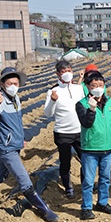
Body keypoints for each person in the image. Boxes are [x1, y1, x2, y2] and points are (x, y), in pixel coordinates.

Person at [0, 67, 58, 222]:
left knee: (0, 175)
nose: (13, 85)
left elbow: (16, 123)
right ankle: (44, 210)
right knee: (24, 179)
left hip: (14, 145)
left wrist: (20, 139)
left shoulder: (16, 99)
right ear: (2, 84)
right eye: (9, 83)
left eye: (16, 83)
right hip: (6, 149)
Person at [76, 71, 111, 220]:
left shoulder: (109, 102)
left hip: (107, 148)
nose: (97, 88)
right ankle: (86, 207)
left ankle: (102, 203)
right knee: (88, 180)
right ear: (87, 86)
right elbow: (86, 123)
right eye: (94, 85)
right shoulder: (81, 104)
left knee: (105, 178)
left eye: (100, 85)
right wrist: (92, 109)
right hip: (90, 149)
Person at [44, 60, 85, 199]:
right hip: (63, 133)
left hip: (80, 131)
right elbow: (48, 113)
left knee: (86, 159)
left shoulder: (78, 89)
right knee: (65, 161)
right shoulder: (53, 91)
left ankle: (85, 184)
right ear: (58, 74)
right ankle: (68, 187)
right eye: (63, 71)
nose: (67, 74)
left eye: (69, 70)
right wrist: (53, 100)